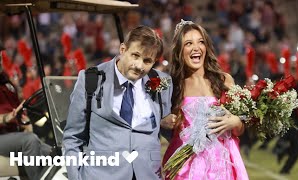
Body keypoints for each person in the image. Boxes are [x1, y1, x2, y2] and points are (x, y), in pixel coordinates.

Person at [63, 25, 176, 180]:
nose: (139, 66)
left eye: (147, 61)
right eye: (135, 55)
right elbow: (72, 137)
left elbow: (169, 130)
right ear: (123, 49)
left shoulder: (162, 81)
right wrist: (75, 177)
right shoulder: (90, 79)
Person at [162, 20, 248, 180]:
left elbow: (240, 129)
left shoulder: (224, 80)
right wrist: (163, 120)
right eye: (188, 43)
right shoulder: (172, 85)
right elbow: (155, 120)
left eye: (201, 42)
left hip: (222, 165)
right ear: (179, 51)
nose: (196, 47)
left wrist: (235, 122)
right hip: (185, 168)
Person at [0, 48, 52, 180]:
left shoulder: (6, 83)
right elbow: (7, 116)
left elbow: (17, 109)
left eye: (0, 56)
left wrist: (24, 121)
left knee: (53, 152)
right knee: (30, 141)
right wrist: (6, 118)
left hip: (13, 135)